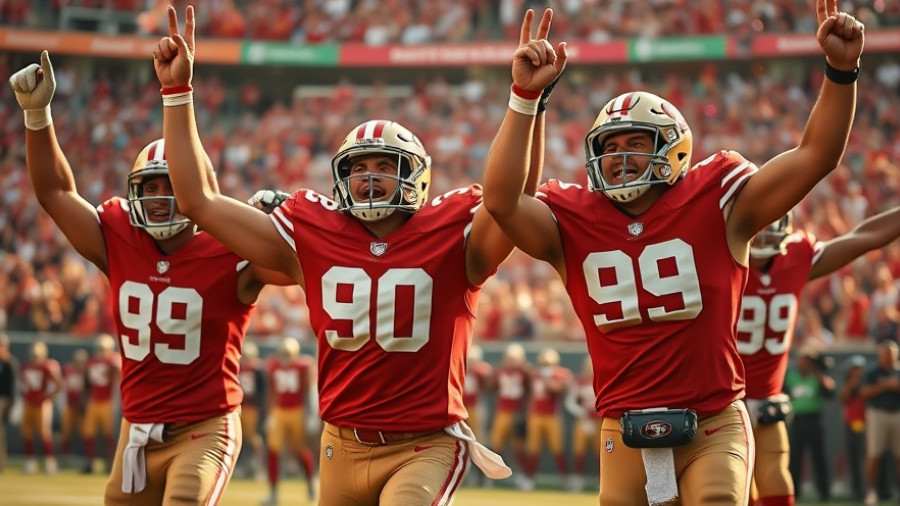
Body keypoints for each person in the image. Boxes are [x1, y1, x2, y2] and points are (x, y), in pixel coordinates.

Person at [152, 6, 555, 504]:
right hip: (339, 446)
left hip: (423, 445)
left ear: (416, 174)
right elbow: (198, 202)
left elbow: (512, 203)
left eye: (385, 165)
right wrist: (177, 93)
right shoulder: (313, 233)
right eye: (358, 166)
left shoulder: (452, 233)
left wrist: (525, 99)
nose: (369, 176)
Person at [481, 2, 864, 504]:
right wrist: (525, 99)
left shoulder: (718, 199)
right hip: (623, 427)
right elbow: (502, 201)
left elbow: (816, 156)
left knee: (718, 500)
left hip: (712, 420)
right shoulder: (573, 218)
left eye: (635, 143)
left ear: (673, 147)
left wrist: (840, 72)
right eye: (610, 146)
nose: (619, 158)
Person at [9, 53, 293, 503]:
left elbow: (304, 268)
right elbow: (55, 192)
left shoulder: (231, 248)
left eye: (173, 187)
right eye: (151, 187)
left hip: (204, 428)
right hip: (136, 429)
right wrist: (37, 115)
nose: (161, 198)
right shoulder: (120, 237)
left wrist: (286, 228)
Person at [739, 207, 900, 506]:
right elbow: (864, 237)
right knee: (770, 477)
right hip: (760, 399)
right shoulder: (797, 255)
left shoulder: (726, 257)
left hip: (728, 398)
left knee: (737, 485)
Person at [262, 336, 317, 504]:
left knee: (301, 450)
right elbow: (270, 392)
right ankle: (273, 492)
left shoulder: (304, 366)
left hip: (298, 410)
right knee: (273, 449)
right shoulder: (273, 365)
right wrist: (269, 415)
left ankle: (310, 483)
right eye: (283, 353)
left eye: (288, 354)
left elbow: (310, 391)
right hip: (279, 410)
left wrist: (311, 413)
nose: (285, 357)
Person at [784, 347, 835, 502]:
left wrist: (819, 372)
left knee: (819, 458)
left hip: (814, 420)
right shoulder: (790, 376)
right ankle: (795, 493)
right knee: (795, 459)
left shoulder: (817, 376)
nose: (805, 363)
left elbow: (830, 391)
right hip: (797, 420)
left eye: (808, 361)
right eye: (803, 360)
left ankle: (824, 493)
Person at [521, 347, 571, 491]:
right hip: (535, 415)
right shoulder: (534, 374)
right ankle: (528, 479)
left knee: (557, 449)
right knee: (532, 449)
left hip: (552, 416)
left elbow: (557, 390)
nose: (544, 363)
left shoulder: (560, 373)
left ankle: (565, 480)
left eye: (547, 361)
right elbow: (531, 393)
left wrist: (546, 377)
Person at [860, 340, 900, 506]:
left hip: (898, 414)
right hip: (878, 414)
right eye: (886, 354)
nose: (888, 357)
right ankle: (871, 492)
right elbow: (864, 392)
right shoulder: (872, 372)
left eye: (891, 354)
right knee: (874, 455)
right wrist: (886, 385)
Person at [19, 340, 62, 474]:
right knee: (27, 432)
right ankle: (29, 462)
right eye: (33, 354)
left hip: (42, 403)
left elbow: (58, 384)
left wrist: (47, 398)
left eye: (37, 355)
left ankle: (49, 462)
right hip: (29, 403)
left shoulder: (48, 366)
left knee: (44, 433)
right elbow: (21, 385)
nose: (34, 357)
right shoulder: (25, 367)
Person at [82, 334, 121, 474]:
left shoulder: (113, 360)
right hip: (93, 400)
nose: (100, 351)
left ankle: (109, 463)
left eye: (103, 348)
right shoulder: (91, 361)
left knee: (109, 434)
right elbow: (86, 382)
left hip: (108, 401)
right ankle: (90, 462)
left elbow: (119, 377)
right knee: (88, 432)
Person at [564, 354, 601, 493]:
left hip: (599, 420)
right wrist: (583, 412)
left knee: (601, 453)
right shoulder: (578, 380)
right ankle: (578, 480)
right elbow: (570, 402)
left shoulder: (601, 378)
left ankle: (602, 480)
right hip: (584, 420)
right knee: (579, 451)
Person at [237, 340, 266, 481]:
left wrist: (262, 410)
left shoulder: (257, 369)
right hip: (238, 407)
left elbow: (262, 391)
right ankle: (244, 467)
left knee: (252, 438)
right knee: (239, 438)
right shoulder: (238, 368)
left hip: (251, 408)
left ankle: (259, 467)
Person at [840, 355, 867, 502]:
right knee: (854, 459)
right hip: (852, 424)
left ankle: (872, 490)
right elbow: (842, 399)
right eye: (854, 369)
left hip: (868, 424)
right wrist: (853, 382)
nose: (857, 372)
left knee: (868, 459)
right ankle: (857, 491)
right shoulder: (848, 384)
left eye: (859, 369)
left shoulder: (869, 382)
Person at [60, 348, 88, 467]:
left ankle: (87, 461)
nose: (79, 363)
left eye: (81, 361)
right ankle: (64, 458)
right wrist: (63, 405)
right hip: (70, 406)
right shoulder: (68, 370)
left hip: (81, 408)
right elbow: (62, 388)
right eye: (77, 361)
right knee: (66, 433)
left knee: (86, 434)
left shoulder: (87, 372)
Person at [0, 333, 18, 472]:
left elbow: (12, 386)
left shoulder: (9, 363)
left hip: (3, 399)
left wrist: (10, 401)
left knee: (1, 433)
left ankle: (1, 463)